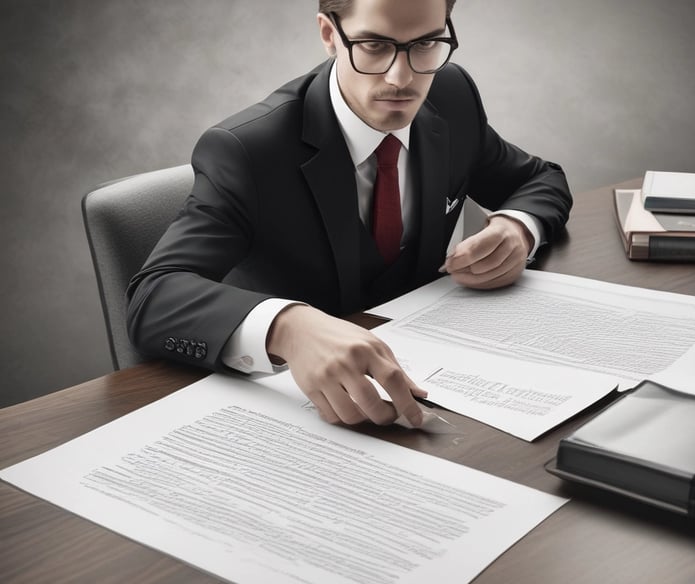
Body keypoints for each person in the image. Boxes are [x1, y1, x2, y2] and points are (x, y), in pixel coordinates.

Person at [126, 0, 572, 429]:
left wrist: (518, 228)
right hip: (299, 413)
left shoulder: (452, 96)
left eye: (425, 44)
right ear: (329, 34)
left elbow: (540, 179)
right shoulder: (247, 152)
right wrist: (288, 327)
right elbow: (152, 299)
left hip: (446, 392)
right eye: (374, 46)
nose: (402, 78)